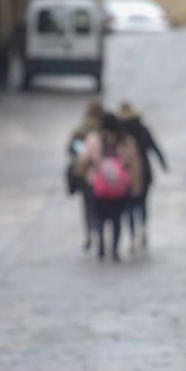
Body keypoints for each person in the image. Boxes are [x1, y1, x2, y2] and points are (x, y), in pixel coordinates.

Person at [74, 113, 143, 261]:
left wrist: (83, 173)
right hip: (120, 186)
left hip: (97, 185)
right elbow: (134, 162)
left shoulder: (94, 139)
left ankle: (101, 247)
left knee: (99, 217)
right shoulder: (125, 140)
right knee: (117, 219)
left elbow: (83, 160)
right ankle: (115, 250)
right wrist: (135, 185)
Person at [118, 102, 167, 252]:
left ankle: (132, 238)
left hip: (125, 172)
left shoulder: (120, 133)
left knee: (129, 206)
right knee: (142, 203)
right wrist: (163, 163)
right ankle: (143, 228)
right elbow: (154, 146)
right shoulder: (142, 129)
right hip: (144, 170)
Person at [66, 99, 104, 252]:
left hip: (82, 171)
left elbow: (70, 148)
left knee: (87, 206)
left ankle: (89, 233)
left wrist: (82, 154)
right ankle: (98, 233)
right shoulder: (103, 128)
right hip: (100, 172)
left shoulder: (81, 128)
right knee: (99, 205)